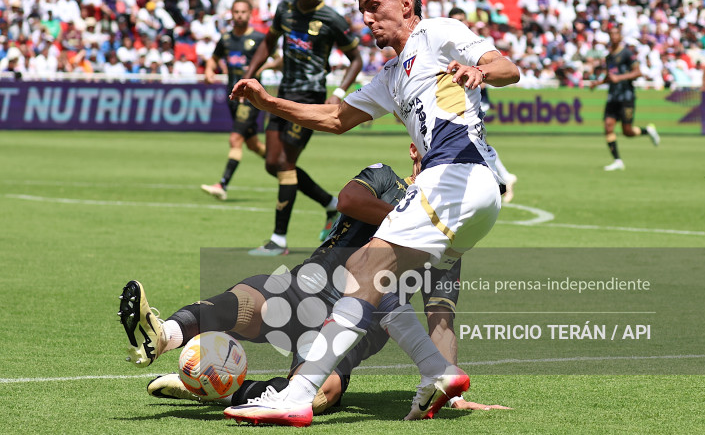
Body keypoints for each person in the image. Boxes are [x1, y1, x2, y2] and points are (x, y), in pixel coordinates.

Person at [225, 0, 520, 427]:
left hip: (455, 175)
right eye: (362, 11)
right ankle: (438, 373)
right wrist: (270, 104)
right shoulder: (391, 74)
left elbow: (508, 68)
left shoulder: (438, 32)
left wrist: (479, 70)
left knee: (361, 267)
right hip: (473, 196)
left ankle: (297, 395)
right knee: (384, 287)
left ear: (406, 4)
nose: (367, 19)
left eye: (374, 7)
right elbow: (335, 118)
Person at [121, 146, 509, 415]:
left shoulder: (449, 243)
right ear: (415, 151)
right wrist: (410, 221)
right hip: (308, 285)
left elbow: (441, 320)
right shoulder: (384, 177)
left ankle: (214, 387)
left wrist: (453, 396)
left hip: (360, 324)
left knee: (322, 395)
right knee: (245, 302)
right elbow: (348, 200)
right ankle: (164, 334)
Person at [242, 0, 363, 256]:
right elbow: (268, 42)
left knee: (285, 162)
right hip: (282, 95)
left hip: (310, 98)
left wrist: (338, 93)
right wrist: (249, 73)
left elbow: (356, 59)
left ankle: (278, 240)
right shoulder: (284, 9)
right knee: (272, 163)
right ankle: (330, 204)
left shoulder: (331, 18)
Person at [448, 7, 518, 203]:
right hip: (457, 102)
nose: (459, 23)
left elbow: (490, 73)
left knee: (472, 140)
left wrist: (477, 74)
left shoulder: (474, 44)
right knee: (475, 141)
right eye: (454, 20)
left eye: (461, 19)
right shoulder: (448, 44)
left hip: (474, 100)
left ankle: (500, 180)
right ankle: (503, 178)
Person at [200, 0, 268, 201]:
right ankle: (281, 165)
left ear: (250, 14)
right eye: (236, 11)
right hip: (232, 97)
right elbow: (214, 58)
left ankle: (222, 184)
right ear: (231, 13)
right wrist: (209, 70)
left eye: (243, 12)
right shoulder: (226, 39)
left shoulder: (259, 38)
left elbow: (279, 59)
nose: (239, 15)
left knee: (235, 139)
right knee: (253, 144)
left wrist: (265, 67)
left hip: (250, 99)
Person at [589, 25, 660, 171]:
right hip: (613, 96)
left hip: (626, 96)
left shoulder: (627, 53)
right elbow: (610, 77)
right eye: (611, 34)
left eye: (616, 34)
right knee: (608, 126)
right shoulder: (609, 57)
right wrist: (598, 83)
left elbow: (638, 72)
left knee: (627, 131)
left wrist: (619, 78)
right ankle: (617, 161)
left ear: (620, 36)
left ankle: (648, 130)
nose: (613, 36)